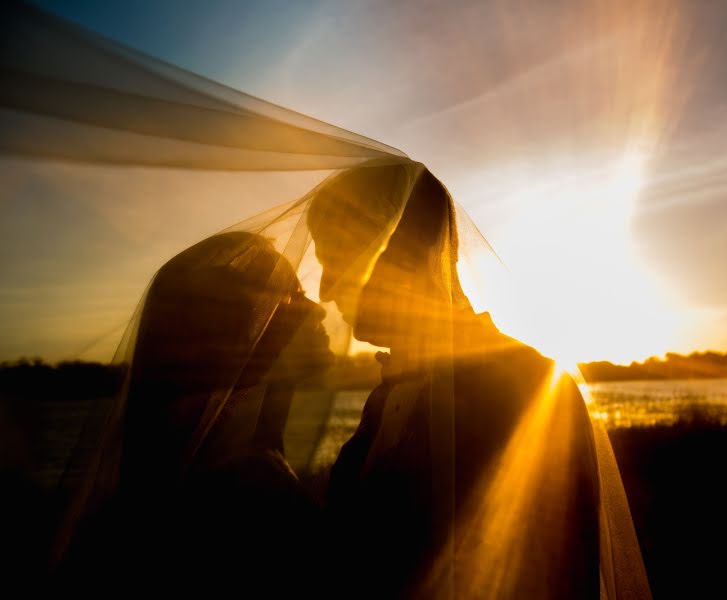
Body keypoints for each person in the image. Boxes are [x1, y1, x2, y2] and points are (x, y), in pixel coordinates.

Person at [310, 163, 649, 598]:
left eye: (334, 258)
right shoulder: (384, 395)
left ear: (399, 249)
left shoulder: (527, 388)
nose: (323, 289)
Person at [57, 232, 333, 587]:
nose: (318, 307)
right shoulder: (243, 496)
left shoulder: (224, 458)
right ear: (237, 334)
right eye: (292, 297)